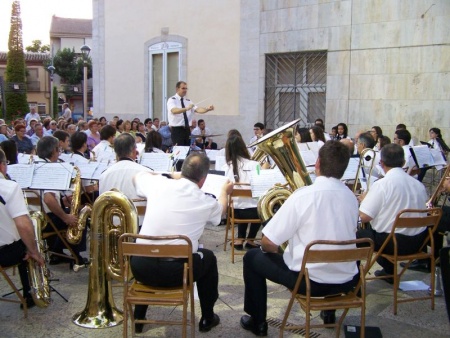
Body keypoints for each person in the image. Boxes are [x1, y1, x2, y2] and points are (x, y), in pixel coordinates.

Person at [240, 141, 360, 336]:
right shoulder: (351, 197)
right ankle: (329, 313)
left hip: (309, 283)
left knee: (252, 258)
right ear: (344, 168)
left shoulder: (302, 196)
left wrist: (284, 249)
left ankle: (258, 321)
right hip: (346, 281)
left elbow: (268, 242)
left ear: (318, 163)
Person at [131, 153, 233, 333]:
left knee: (151, 248)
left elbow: (136, 177)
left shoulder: (159, 184)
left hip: (140, 267)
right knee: (208, 258)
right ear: (203, 179)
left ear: (182, 170)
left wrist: (173, 176)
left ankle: (139, 317)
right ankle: (207, 317)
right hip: (176, 273)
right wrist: (225, 192)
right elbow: (221, 213)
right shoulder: (205, 200)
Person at [357, 144, 428, 283]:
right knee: (382, 225)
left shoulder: (382, 184)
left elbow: (364, 217)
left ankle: (353, 282)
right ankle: (388, 272)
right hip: (419, 241)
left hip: (392, 243)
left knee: (356, 234)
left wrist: (365, 200)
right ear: (403, 163)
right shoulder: (418, 184)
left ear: (381, 163)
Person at [0, 149, 44, 309]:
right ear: (2, 166)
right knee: (25, 243)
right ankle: (30, 294)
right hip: (4, 253)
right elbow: (23, 225)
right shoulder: (8, 187)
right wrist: (34, 251)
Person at [37, 136, 86, 265]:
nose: (59, 153)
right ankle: (76, 257)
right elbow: (48, 199)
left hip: (34, 218)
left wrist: (61, 200)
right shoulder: (49, 169)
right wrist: (65, 217)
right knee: (78, 216)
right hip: (46, 220)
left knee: (67, 210)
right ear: (53, 151)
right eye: (58, 150)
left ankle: (56, 252)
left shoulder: (34, 165)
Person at [222, 134, 261, 250]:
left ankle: (239, 239)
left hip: (233, 212)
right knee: (258, 205)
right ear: (244, 147)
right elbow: (260, 183)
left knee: (240, 203)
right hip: (254, 213)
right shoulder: (256, 165)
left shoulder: (225, 167)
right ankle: (251, 239)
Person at [167, 81, 214, 146]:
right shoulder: (172, 100)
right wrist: (186, 108)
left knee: (187, 149)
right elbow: (174, 110)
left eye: (186, 88)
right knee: (179, 149)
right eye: (183, 88)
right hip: (177, 129)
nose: (185, 90)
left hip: (187, 129)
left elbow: (197, 109)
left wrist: (207, 109)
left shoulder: (188, 101)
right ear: (177, 89)